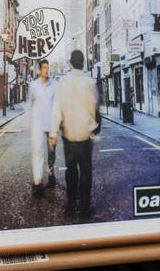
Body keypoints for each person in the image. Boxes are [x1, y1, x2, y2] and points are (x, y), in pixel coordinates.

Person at [49, 50, 98, 219]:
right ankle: (84, 204)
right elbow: (93, 107)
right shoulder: (89, 82)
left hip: (69, 135)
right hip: (85, 135)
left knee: (71, 170)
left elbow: (57, 109)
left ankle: (71, 202)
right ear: (83, 63)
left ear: (70, 63)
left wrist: (53, 133)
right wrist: (92, 127)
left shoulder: (63, 82)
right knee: (86, 171)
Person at [28, 59, 57, 198]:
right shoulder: (33, 86)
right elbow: (30, 105)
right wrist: (29, 122)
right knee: (38, 153)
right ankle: (37, 182)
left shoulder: (54, 85)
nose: (46, 70)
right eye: (44, 67)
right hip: (38, 125)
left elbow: (58, 106)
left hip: (51, 125)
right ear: (39, 70)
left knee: (51, 153)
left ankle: (50, 172)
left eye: (47, 67)